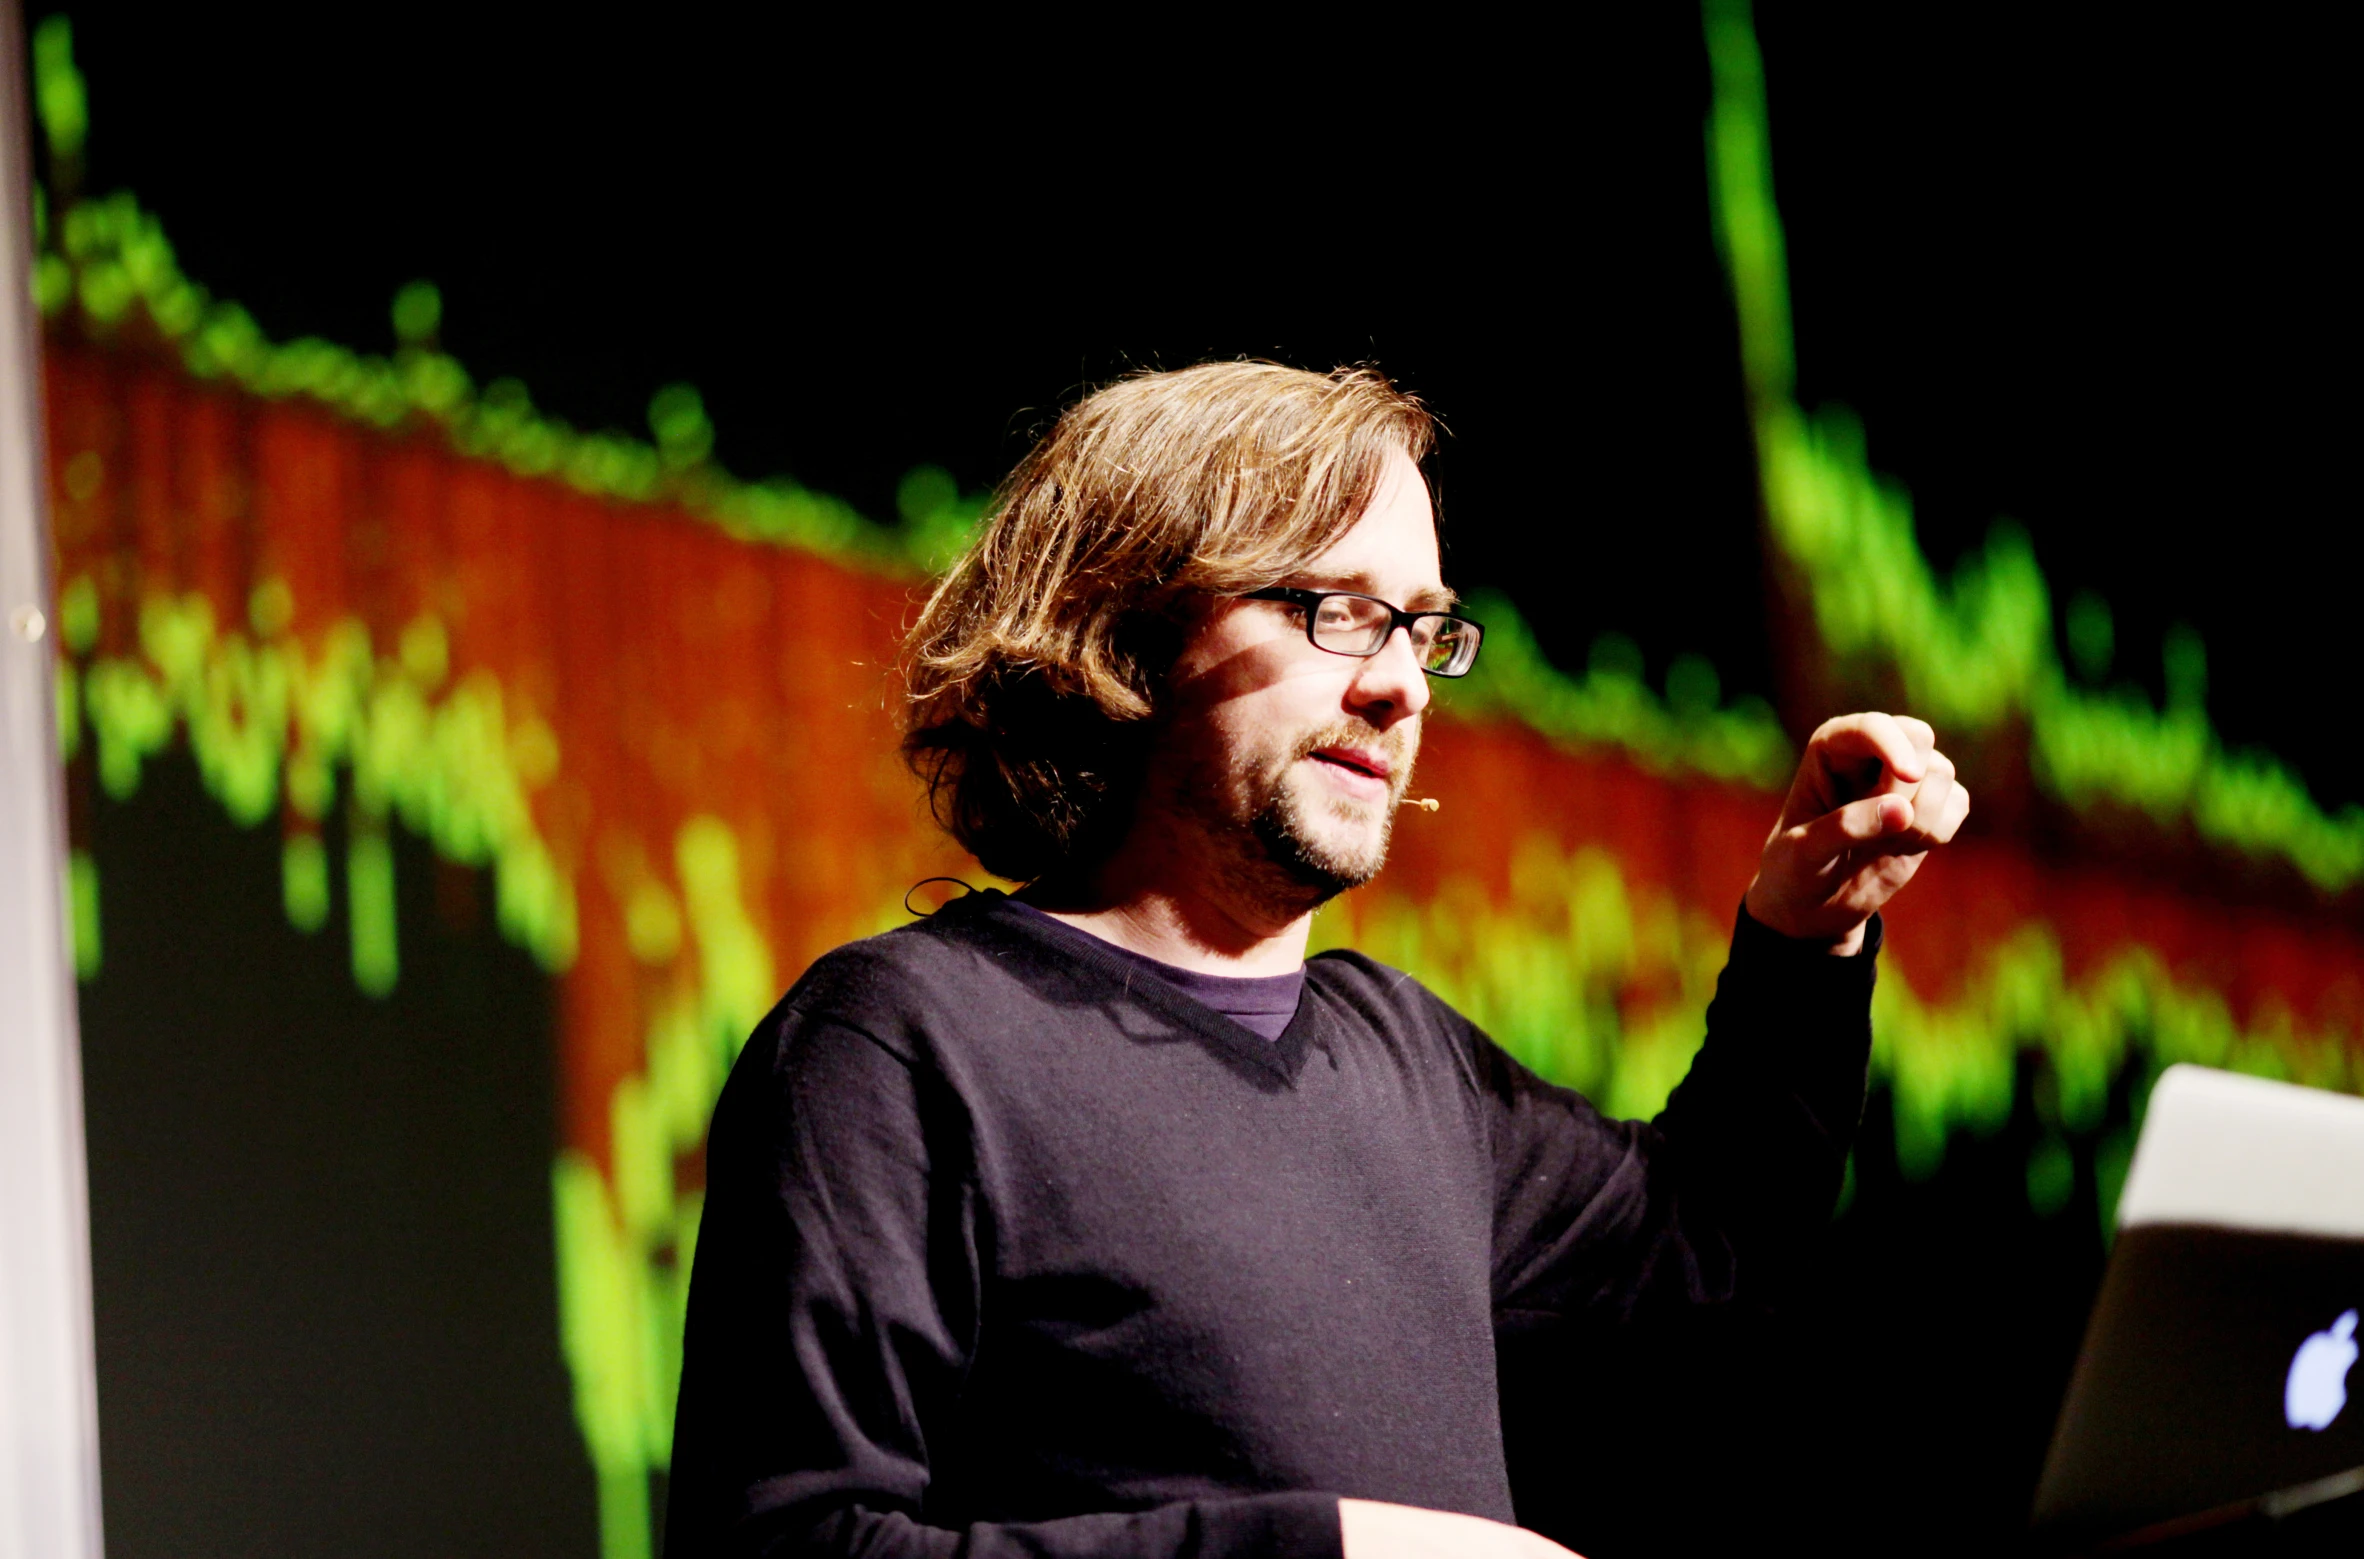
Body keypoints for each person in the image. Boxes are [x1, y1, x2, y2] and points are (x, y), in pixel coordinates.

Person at [664, 363, 1968, 1557]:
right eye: (1337, 611)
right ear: (1127, 626)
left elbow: (1713, 1249)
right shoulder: (905, 1042)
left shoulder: (1411, 1059)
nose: (1401, 685)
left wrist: (1810, 927)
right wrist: (1327, 1551)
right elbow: (788, 1539)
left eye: (1426, 630)